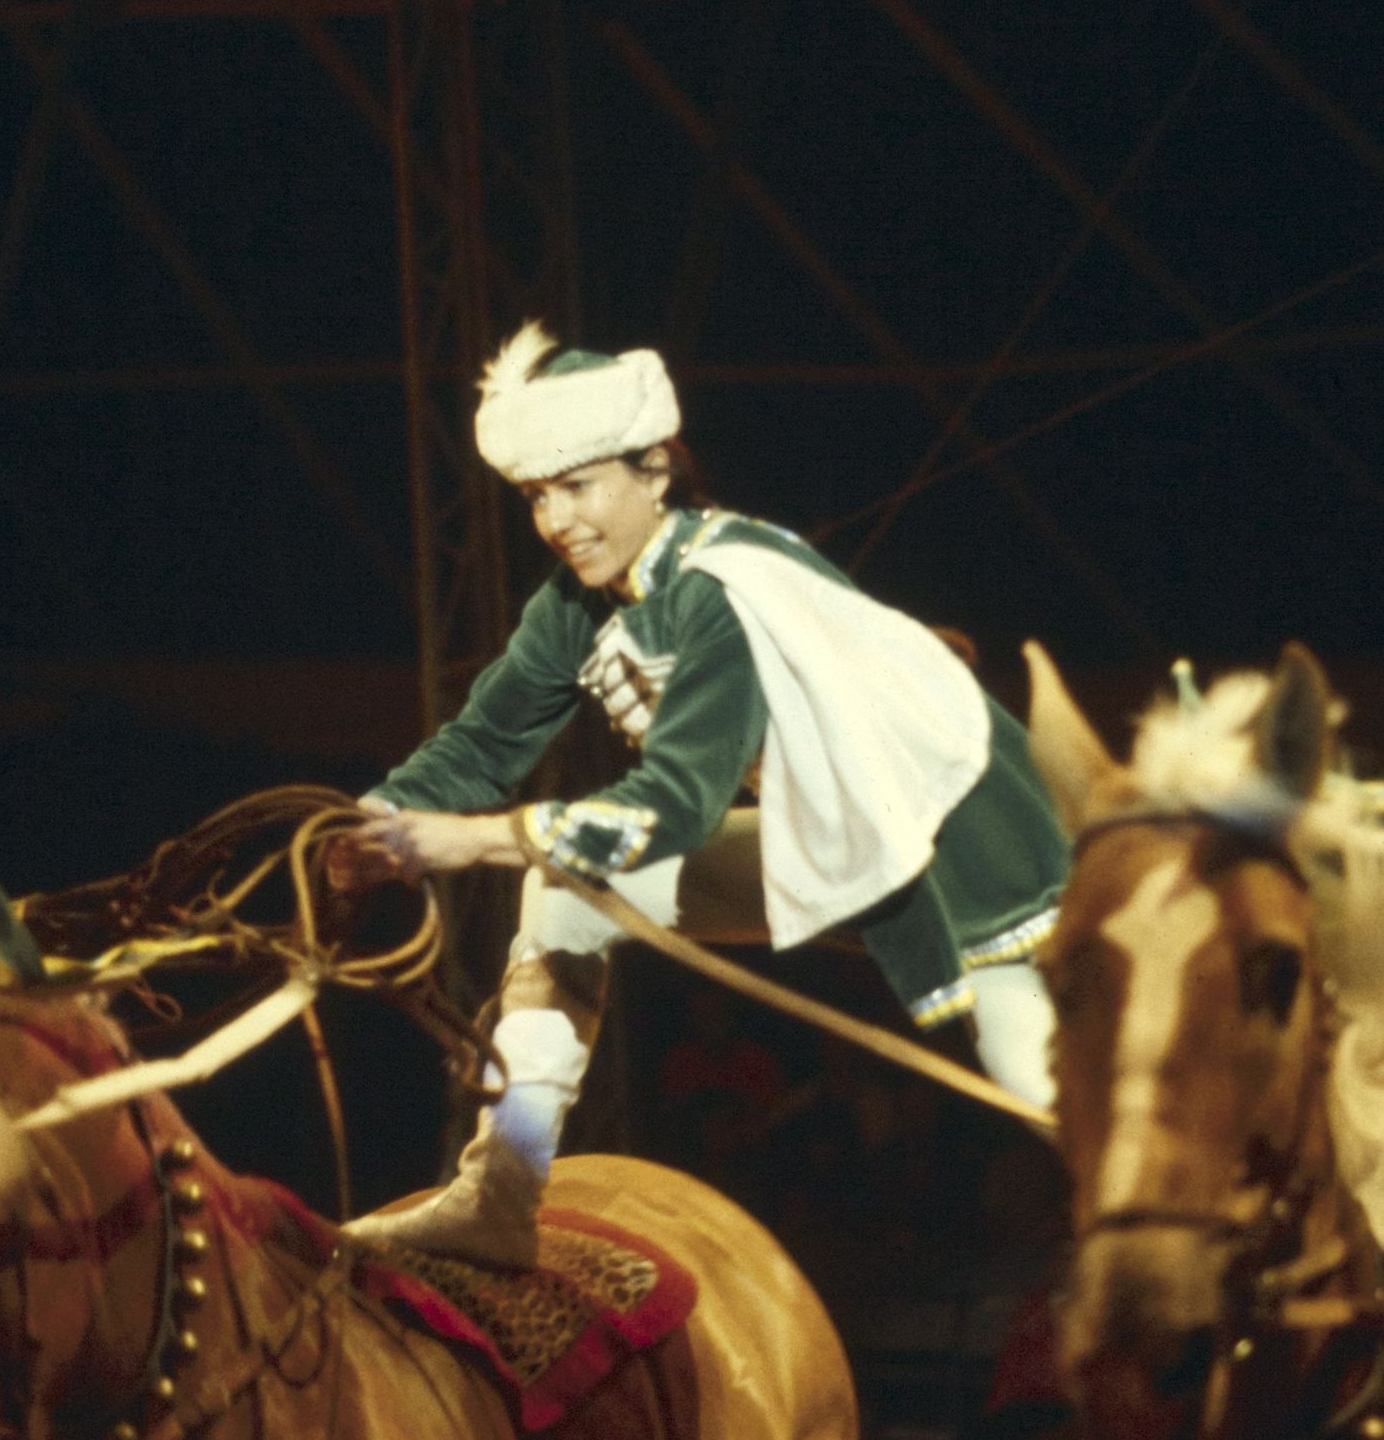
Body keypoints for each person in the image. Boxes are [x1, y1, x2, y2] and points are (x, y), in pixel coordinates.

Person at [332, 323, 1068, 1265]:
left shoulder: (723, 587)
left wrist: (468, 843)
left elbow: (671, 806)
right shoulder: (574, 605)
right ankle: (501, 1194)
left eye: (578, 487)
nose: (557, 521)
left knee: (1048, 1092)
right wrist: (369, 822)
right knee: (564, 889)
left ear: (654, 472)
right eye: (536, 497)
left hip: (952, 845)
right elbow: (484, 741)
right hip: (824, 834)